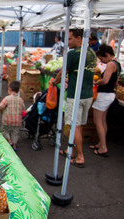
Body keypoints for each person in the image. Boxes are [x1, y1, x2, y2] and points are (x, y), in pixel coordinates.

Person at [54, 28, 97, 168]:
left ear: (79, 38)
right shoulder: (91, 52)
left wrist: (54, 82)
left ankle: (80, 157)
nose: (67, 42)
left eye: (70, 39)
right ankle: (70, 150)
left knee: (74, 126)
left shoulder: (73, 54)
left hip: (76, 96)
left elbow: (61, 74)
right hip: (88, 95)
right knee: (79, 125)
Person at [91, 44, 121, 157]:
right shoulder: (117, 65)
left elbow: (105, 81)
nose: (102, 61)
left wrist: (96, 83)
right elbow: (116, 82)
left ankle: (103, 147)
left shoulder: (110, 64)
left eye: (102, 58)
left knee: (98, 121)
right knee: (102, 121)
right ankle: (100, 143)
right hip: (110, 95)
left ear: (107, 55)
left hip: (104, 95)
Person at [0, 80, 25, 151]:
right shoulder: (20, 100)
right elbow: (23, 108)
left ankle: (9, 141)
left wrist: (1, 111)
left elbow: (1, 106)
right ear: (18, 90)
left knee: (4, 130)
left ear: (10, 89)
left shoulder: (7, 98)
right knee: (15, 133)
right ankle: (14, 145)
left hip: (7, 120)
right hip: (17, 121)